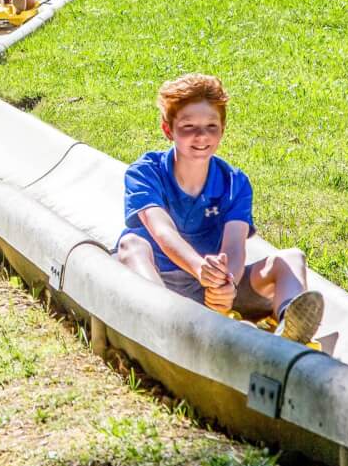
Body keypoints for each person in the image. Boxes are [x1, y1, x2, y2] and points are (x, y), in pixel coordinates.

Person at [115, 74, 324, 344]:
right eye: (188, 126)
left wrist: (228, 284)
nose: (201, 136)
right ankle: (162, 322)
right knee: (131, 245)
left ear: (222, 129)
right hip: (158, 278)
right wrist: (199, 267)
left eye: (211, 126)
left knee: (292, 258)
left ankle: (290, 331)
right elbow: (162, 231)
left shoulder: (234, 182)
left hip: (211, 286)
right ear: (169, 130)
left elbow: (234, 246)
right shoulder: (145, 172)